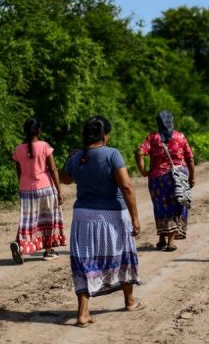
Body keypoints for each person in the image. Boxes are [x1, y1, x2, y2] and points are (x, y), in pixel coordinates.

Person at [62, 116, 143, 327]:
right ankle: (130, 300)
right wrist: (135, 217)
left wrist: (70, 158)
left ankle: (83, 313)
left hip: (83, 217)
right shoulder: (112, 154)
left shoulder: (77, 156)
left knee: (84, 261)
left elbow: (65, 178)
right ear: (105, 136)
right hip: (112, 215)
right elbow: (126, 186)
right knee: (123, 254)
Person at [135, 110, 195, 252]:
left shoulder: (153, 138)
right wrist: (192, 176)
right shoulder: (180, 136)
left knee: (160, 206)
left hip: (158, 179)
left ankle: (161, 239)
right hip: (178, 177)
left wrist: (143, 171)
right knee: (177, 206)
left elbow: (139, 152)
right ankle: (171, 242)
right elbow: (190, 158)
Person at [10, 118, 66, 264]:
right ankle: (48, 250)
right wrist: (59, 191)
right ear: (39, 131)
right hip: (45, 187)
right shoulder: (44, 146)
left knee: (28, 220)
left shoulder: (18, 149)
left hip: (26, 189)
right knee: (48, 218)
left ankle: (20, 244)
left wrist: (21, 187)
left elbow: (19, 172)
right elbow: (53, 169)